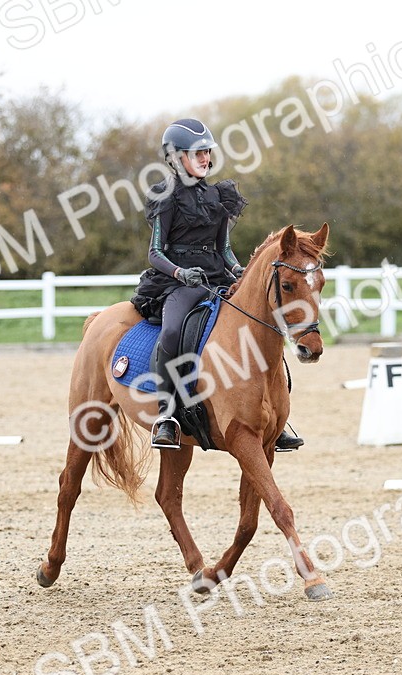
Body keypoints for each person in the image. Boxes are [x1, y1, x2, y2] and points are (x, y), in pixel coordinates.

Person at [131, 118, 305, 452]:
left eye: (207, 152)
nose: (205, 159)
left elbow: (223, 250)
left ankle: (273, 418)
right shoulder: (165, 198)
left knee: (258, 325)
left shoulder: (219, 196)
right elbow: (154, 252)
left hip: (216, 277)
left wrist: (239, 270)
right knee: (171, 332)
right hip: (176, 281)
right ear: (175, 157)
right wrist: (181, 274)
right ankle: (167, 415)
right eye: (197, 153)